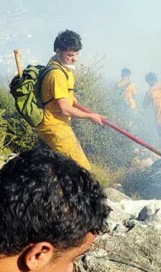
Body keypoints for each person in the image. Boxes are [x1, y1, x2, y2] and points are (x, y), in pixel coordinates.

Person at [37, 30, 104, 171]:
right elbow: (65, 108)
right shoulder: (57, 74)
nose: (75, 59)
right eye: (70, 55)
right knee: (82, 170)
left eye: (77, 54)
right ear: (58, 52)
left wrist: (72, 99)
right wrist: (91, 116)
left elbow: (65, 96)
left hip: (58, 125)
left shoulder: (59, 64)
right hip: (55, 127)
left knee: (62, 170)